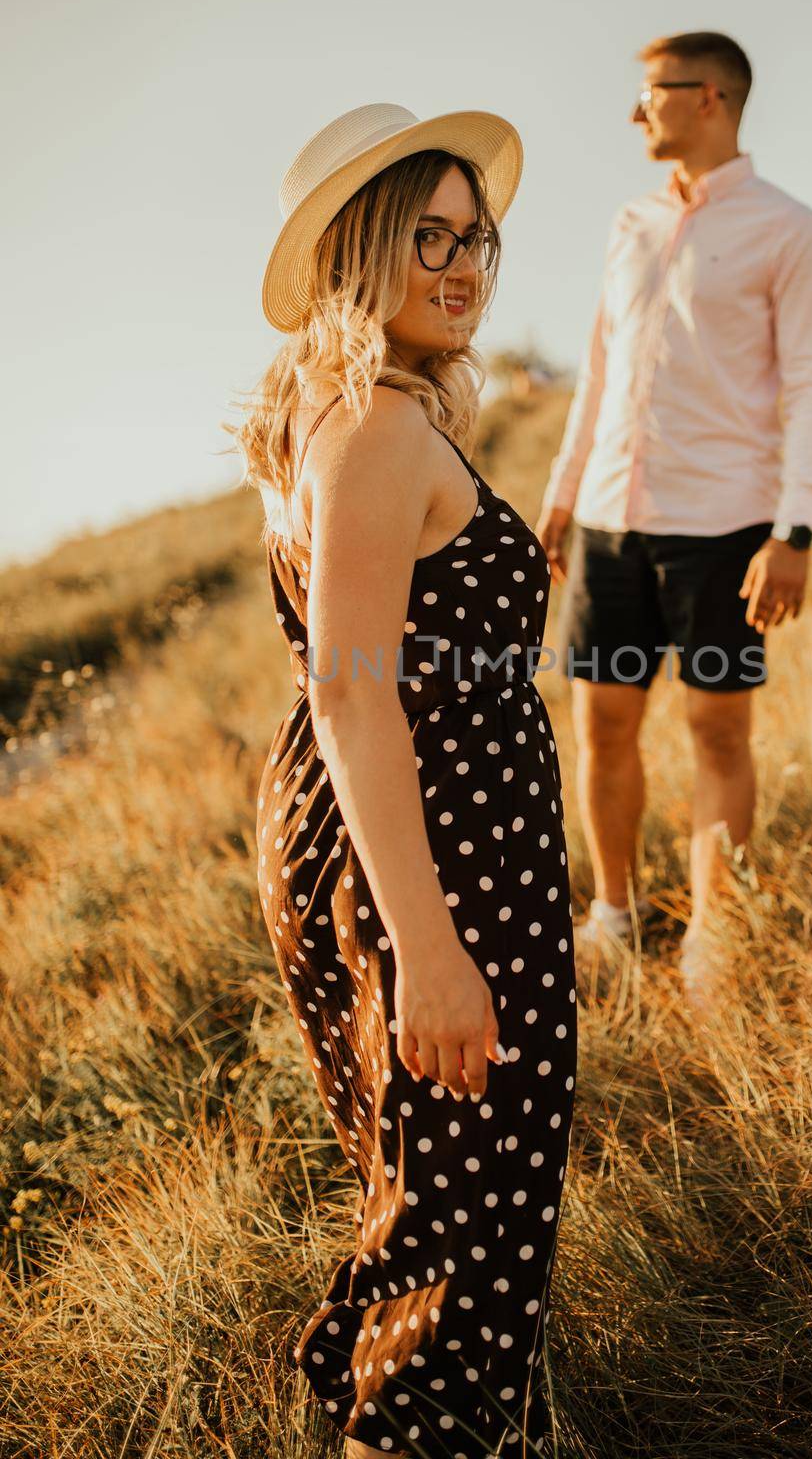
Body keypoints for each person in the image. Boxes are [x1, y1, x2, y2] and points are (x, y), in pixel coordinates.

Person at [234, 103, 576, 1459]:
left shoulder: (350, 417)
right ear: (358, 252)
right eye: (426, 237)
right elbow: (351, 686)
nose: (464, 265)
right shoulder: (373, 427)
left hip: (391, 824)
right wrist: (430, 952)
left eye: (476, 238)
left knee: (422, 1181)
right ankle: (411, 1427)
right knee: (469, 1200)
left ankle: (378, 1402)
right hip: (429, 850)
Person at [535, 32, 812, 1003]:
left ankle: (713, 933)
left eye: (651, 95)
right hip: (606, 521)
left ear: (709, 97)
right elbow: (597, 371)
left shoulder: (790, 231)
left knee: (717, 732)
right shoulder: (628, 222)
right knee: (603, 728)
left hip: (723, 530)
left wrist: (795, 532)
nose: (637, 113)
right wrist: (558, 495)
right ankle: (615, 917)